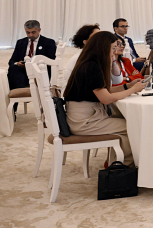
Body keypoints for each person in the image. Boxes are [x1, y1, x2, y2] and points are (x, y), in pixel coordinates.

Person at [63, 32, 146, 166]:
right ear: (103, 47)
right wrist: (132, 90)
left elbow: (105, 90)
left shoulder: (89, 63)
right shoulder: (92, 67)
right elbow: (106, 98)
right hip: (85, 121)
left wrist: (127, 86)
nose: (114, 52)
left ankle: (118, 163)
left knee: (129, 124)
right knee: (134, 125)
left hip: (83, 117)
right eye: (113, 48)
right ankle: (123, 167)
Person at [8, 20, 58, 91]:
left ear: (39, 30)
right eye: (28, 32)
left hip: (39, 72)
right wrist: (17, 63)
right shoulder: (20, 42)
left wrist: (33, 64)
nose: (30, 35)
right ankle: (20, 93)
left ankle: (20, 93)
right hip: (23, 72)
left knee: (14, 77)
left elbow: (51, 61)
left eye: (33, 32)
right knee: (13, 69)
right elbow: (11, 61)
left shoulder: (49, 42)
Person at [59, 24, 101, 89]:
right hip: (75, 93)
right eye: (96, 36)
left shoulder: (94, 56)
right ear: (85, 42)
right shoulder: (80, 59)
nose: (101, 39)